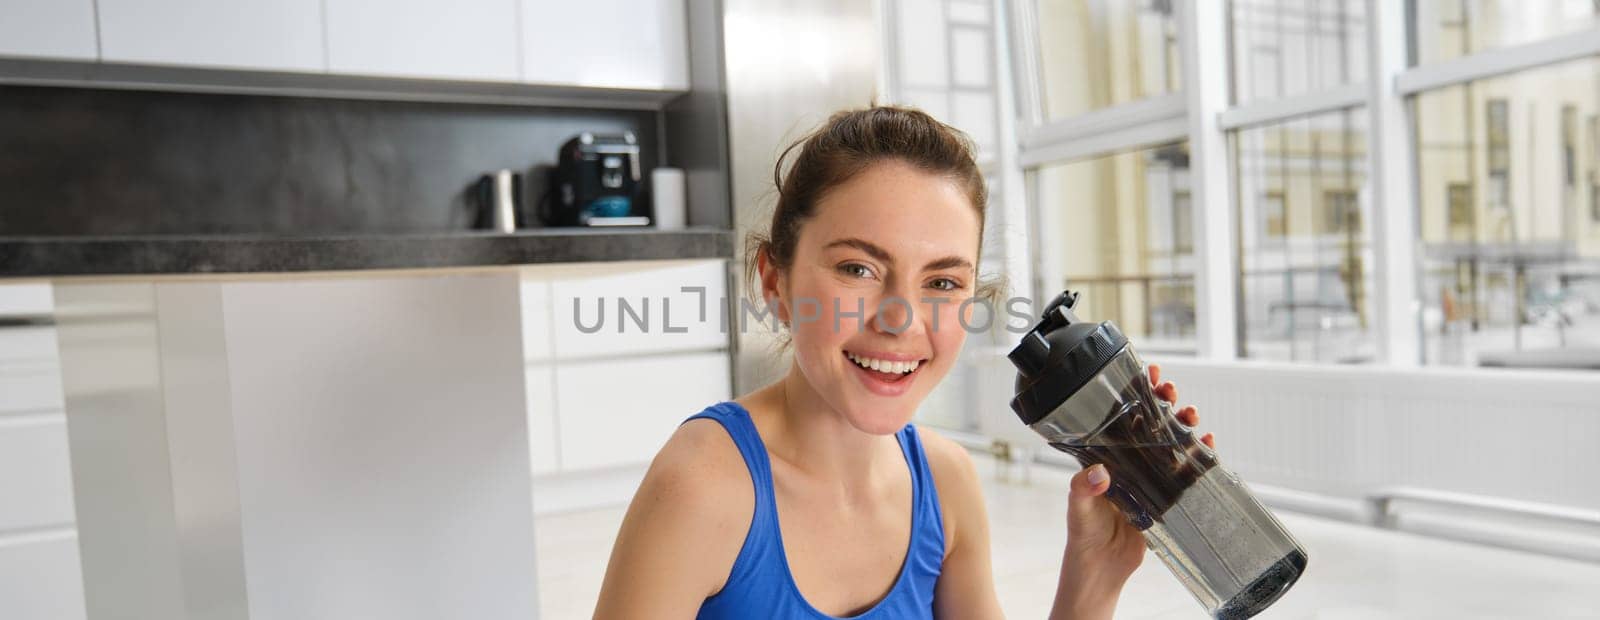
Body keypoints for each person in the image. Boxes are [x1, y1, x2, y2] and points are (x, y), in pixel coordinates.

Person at [593, 106, 1213, 619]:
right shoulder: (704, 486)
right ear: (774, 282)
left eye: (942, 283)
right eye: (857, 269)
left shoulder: (945, 485)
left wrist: (1094, 577)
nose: (901, 320)